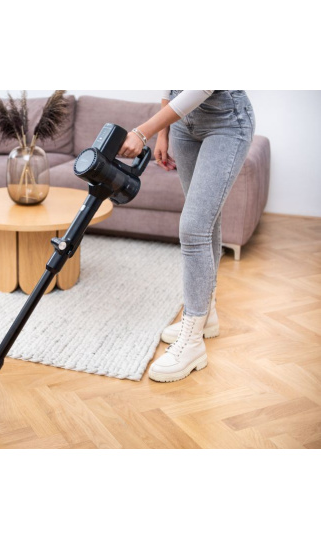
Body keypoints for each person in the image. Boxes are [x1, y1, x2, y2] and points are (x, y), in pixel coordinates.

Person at [119, 90, 255, 383]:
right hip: (183, 127)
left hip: (226, 123)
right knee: (206, 223)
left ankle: (192, 343)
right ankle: (207, 316)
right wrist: (163, 134)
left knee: (193, 228)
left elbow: (202, 87)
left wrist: (142, 132)